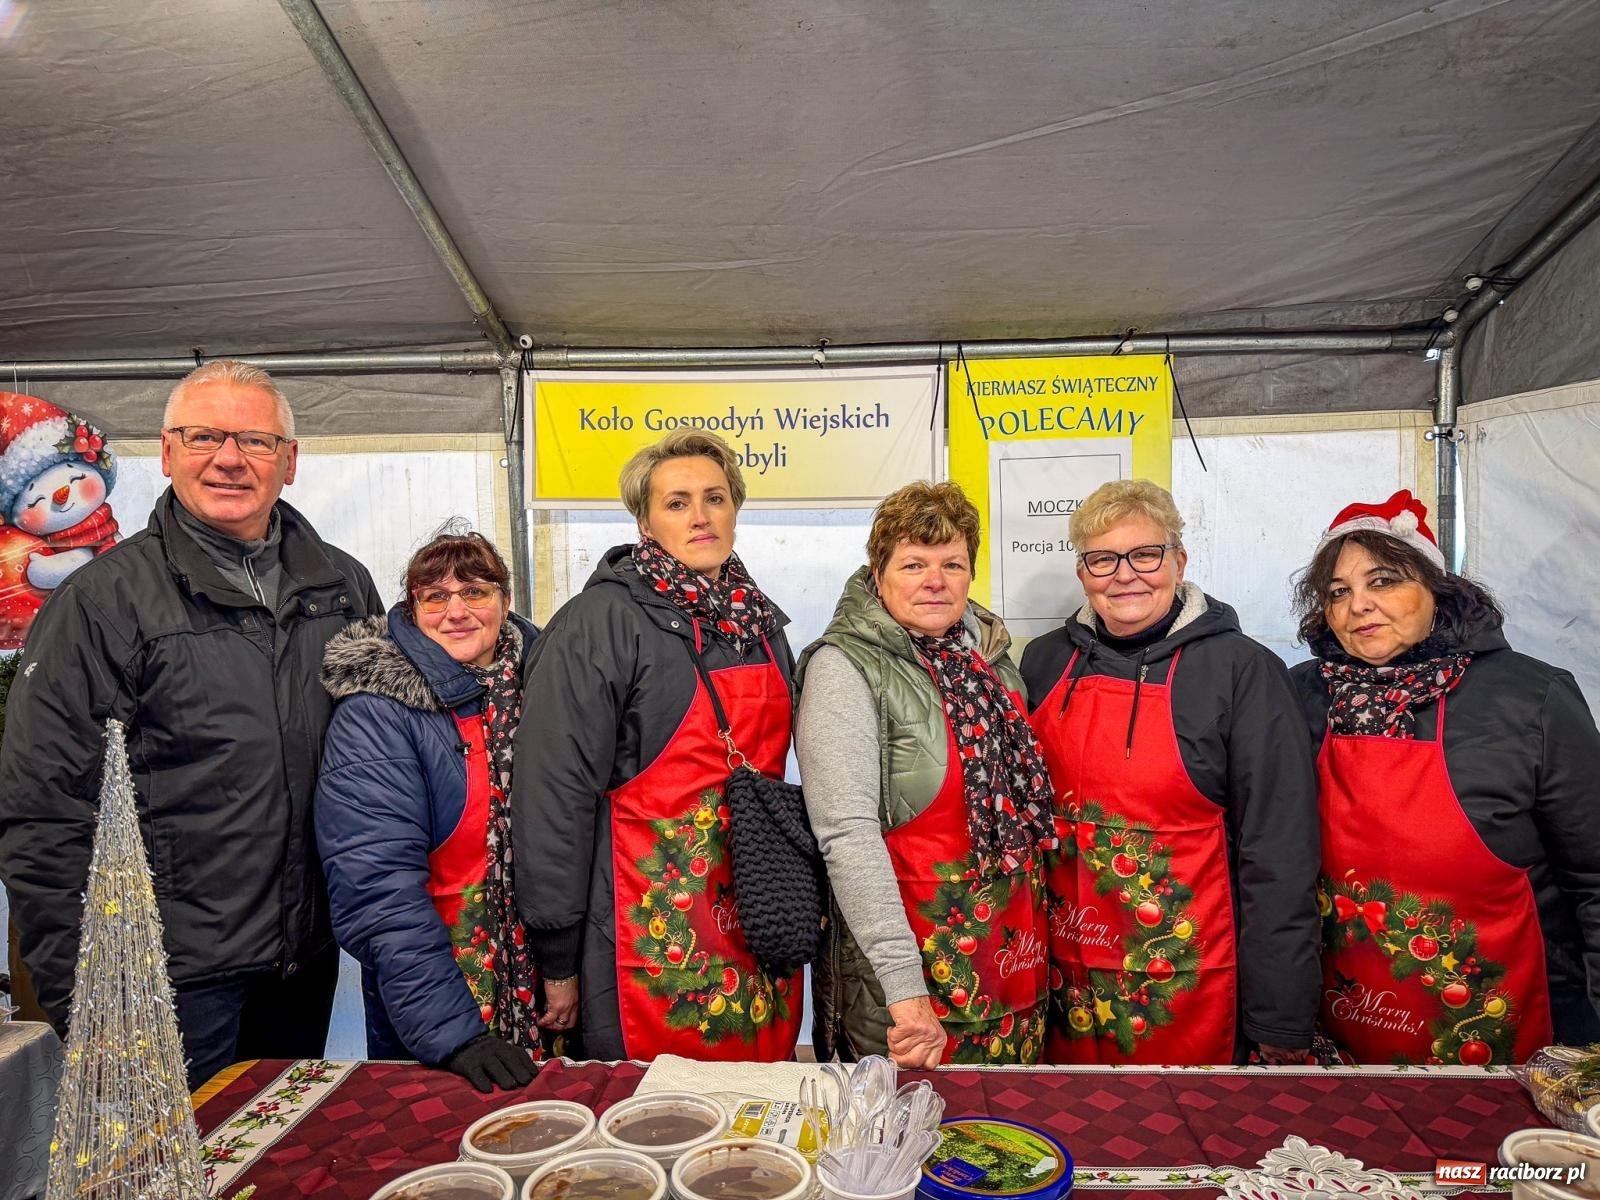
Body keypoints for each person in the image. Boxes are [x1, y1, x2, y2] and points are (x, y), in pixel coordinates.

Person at [0, 361, 383, 1089]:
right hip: (166, 977)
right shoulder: (102, 602)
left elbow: (373, 765)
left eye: (256, 441)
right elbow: (44, 811)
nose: (230, 458)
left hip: (303, 961)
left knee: (275, 1158)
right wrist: (87, 1002)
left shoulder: (342, 586)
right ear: (169, 452)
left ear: (290, 462)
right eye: (205, 436)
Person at [512, 429, 802, 1061]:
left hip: (758, 913)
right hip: (645, 935)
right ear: (643, 521)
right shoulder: (601, 623)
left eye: (715, 498)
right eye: (676, 503)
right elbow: (552, 798)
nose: (700, 516)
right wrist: (557, 956)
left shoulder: (759, 622)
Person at [1291, 489, 1600, 1064]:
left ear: (1436, 588)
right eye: (1339, 592)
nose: (1359, 605)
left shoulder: (1532, 698)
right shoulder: (1301, 695)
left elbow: (1594, 880)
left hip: (1512, 1030)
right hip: (1342, 1026)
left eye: (1383, 581)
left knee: (1473, 1160)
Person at [1021, 479, 1320, 1065]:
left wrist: (1279, 1019)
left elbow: (1279, 854)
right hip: (1062, 980)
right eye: (1103, 559)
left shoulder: (1244, 671)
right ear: (1082, 573)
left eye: (1145, 554)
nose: (1124, 574)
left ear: (1179, 562)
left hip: (1191, 983)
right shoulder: (1045, 660)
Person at [797, 481, 1055, 1068]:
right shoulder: (844, 667)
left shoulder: (991, 661)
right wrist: (905, 990)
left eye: (952, 564)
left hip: (1008, 963)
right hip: (908, 976)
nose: (935, 581)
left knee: (1010, 1141)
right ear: (878, 573)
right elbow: (847, 837)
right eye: (914, 564)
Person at [316, 531, 545, 1093]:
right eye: (435, 596)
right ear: (411, 609)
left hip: (545, 984)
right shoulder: (377, 712)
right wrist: (453, 1033)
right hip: (437, 998)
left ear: (506, 601)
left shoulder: (550, 685)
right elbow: (377, 888)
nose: (457, 611)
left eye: (475, 591)